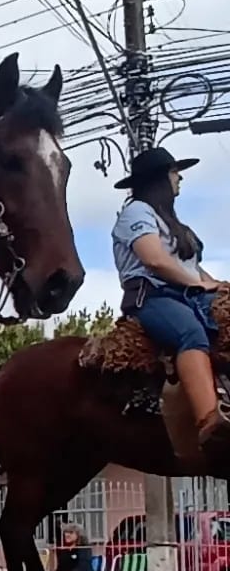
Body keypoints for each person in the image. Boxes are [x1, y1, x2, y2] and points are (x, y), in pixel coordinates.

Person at [112, 146, 230, 456]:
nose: (180, 178)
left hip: (189, 293)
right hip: (153, 295)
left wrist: (218, 287)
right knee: (190, 333)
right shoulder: (136, 212)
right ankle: (210, 421)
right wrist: (198, 285)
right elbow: (154, 260)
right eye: (174, 172)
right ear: (159, 179)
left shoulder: (172, 222)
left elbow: (192, 269)